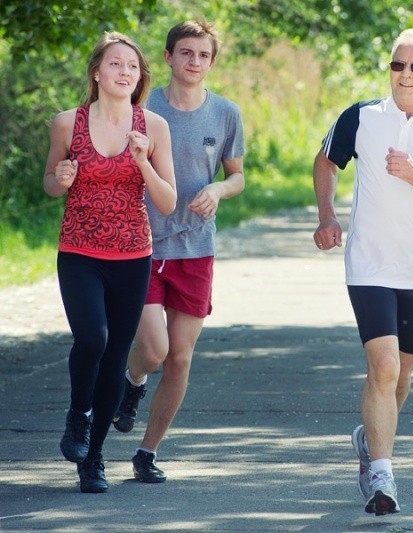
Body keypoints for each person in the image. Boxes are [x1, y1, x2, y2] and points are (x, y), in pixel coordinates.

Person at [312, 28, 413, 516]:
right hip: (368, 262)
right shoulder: (361, 117)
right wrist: (326, 215)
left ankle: (371, 435)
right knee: (382, 367)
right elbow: (326, 161)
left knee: (400, 377)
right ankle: (381, 476)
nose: (405, 75)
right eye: (397, 65)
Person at [111, 20, 245, 484]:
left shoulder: (226, 113)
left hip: (196, 247)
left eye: (203, 55)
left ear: (211, 62)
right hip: (143, 244)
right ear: (168, 57)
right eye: (185, 53)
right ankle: (131, 382)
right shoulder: (141, 108)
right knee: (153, 349)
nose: (194, 62)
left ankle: (147, 451)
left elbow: (238, 176)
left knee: (181, 358)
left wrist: (219, 189)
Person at [44, 32, 177, 493]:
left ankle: (93, 459)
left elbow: (168, 200)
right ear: (97, 72)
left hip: (132, 255)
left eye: (133, 67)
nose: (124, 72)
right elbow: (50, 182)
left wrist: (143, 162)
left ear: (140, 77)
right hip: (79, 251)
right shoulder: (68, 122)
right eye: (116, 64)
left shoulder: (152, 127)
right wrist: (59, 179)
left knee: (116, 354)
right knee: (92, 338)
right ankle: (78, 411)